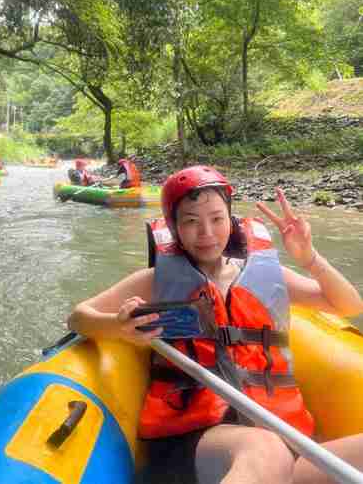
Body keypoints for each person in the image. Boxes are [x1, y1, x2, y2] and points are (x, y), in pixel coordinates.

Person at [68, 165, 363, 484]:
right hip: (196, 440)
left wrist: (310, 259)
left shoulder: (269, 276)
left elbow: (347, 306)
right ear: (174, 227)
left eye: (216, 218)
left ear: (232, 221)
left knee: (277, 451)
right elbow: (78, 316)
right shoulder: (154, 280)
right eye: (191, 221)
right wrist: (117, 326)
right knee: (266, 451)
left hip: (281, 439)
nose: (206, 232)